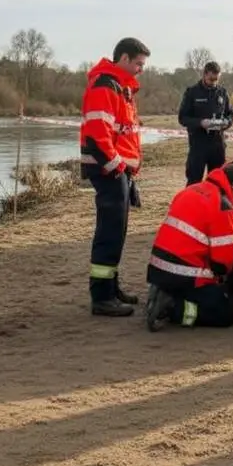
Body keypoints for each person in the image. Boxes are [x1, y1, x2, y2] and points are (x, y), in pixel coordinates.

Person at [80, 37, 151, 317]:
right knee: (109, 234)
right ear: (123, 58)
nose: (140, 69)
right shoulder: (105, 86)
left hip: (117, 170)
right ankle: (101, 297)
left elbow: (121, 134)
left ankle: (110, 288)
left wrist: (128, 169)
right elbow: (99, 135)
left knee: (116, 233)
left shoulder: (121, 88)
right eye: (138, 63)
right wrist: (118, 167)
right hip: (109, 170)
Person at [144, 163, 233, 332]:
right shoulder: (223, 206)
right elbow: (222, 263)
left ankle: (163, 292)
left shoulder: (191, 189)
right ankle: (172, 308)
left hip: (157, 267)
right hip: (182, 274)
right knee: (223, 314)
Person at [178, 61, 233, 185]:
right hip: (198, 144)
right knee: (194, 181)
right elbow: (183, 118)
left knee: (217, 181)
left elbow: (230, 114)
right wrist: (200, 122)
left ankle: (214, 204)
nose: (213, 83)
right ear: (204, 74)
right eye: (211, 79)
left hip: (217, 144)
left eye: (216, 80)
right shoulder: (192, 92)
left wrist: (226, 123)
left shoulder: (222, 92)